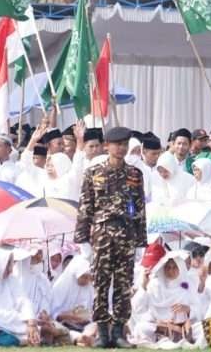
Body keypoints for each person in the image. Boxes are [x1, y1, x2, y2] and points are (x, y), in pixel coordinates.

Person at [75, 126, 147, 348]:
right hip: (101, 235)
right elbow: (85, 208)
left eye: (125, 144)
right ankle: (103, 334)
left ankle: (118, 332)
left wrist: (140, 243)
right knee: (101, 285)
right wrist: (83, 241)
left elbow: (140, 210)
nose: (121, 148)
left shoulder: (135, 174)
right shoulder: (94, 172)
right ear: (107, 146)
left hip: (126, 234)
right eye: (117, 144)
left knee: (123, 285)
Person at [132, 251, 199, 346]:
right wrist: (144, 286)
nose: (171, 271)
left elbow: (199, 310)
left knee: (201, 329)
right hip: (158, 326)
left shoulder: (187, 285)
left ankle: (174, 336)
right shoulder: (154, 285)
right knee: (141, 327)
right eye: (168, 267)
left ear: (180, 268)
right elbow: (138, 308)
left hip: (182, 327)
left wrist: (187, 309)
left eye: (174, 267)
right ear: (163, 268)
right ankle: (166, 336)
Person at [51, 256, 95, 333]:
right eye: (84, 277)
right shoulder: (61, 286)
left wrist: (85, 318)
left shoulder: (89, 287)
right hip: (63, 323)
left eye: (89, 277)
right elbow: (53, 313)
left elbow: (92, 310)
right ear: (76, 274)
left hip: (84, 324)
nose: (86, 281)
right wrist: (71, 317)